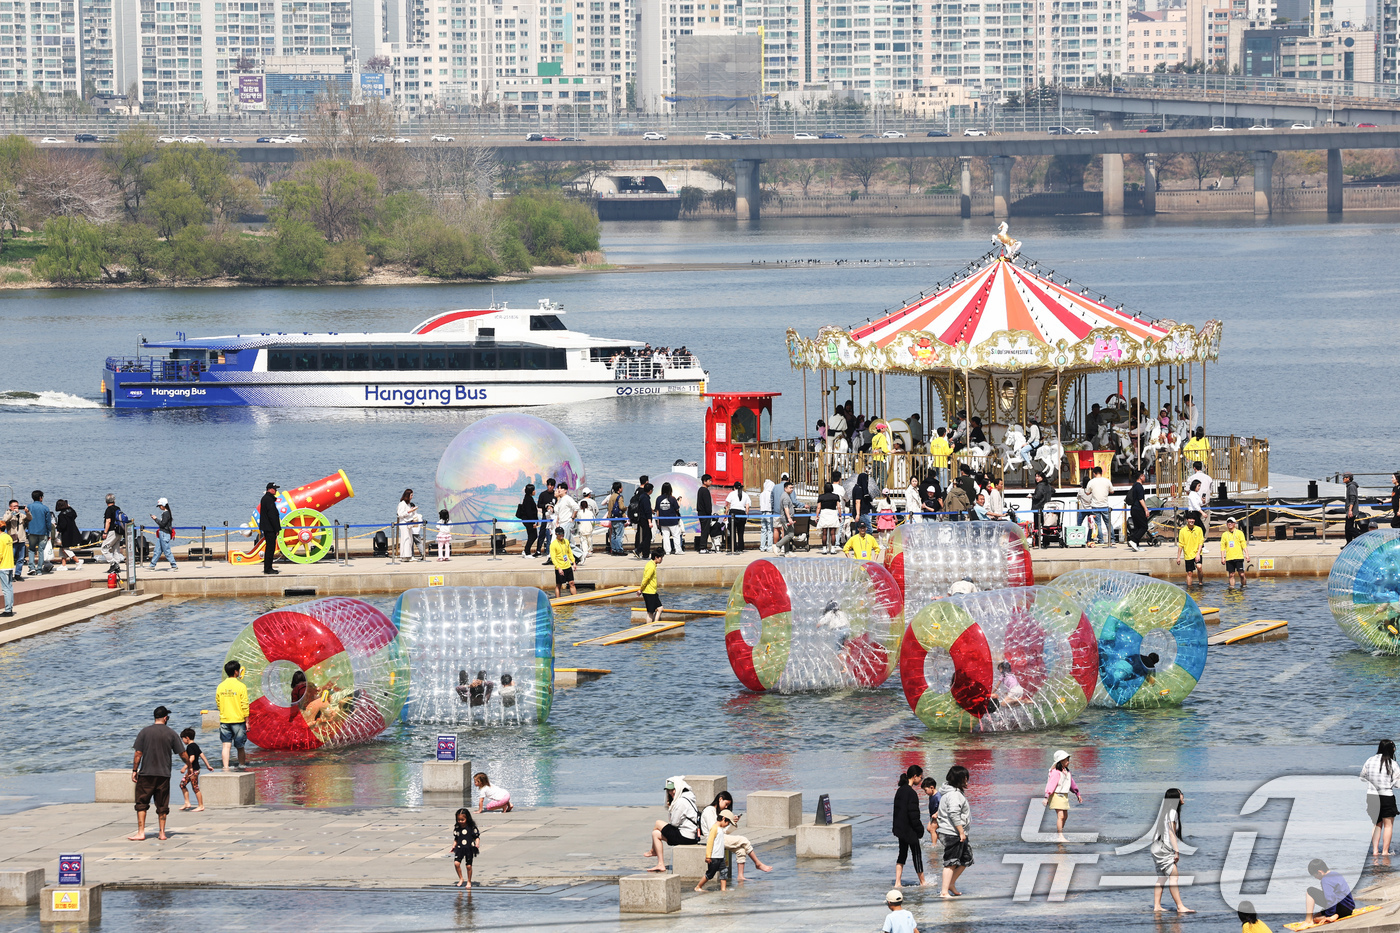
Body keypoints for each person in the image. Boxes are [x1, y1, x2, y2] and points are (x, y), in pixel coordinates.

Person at [129, 705, 191, 841]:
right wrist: (189, 766)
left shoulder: (144, 732)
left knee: (142, 802)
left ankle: (141, 832)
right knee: (162, 804)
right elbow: (183, 753)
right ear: (165, 718)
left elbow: (138, 753)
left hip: (146, 773)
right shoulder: (171, 733)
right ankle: (162, 833)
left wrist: (134, 770)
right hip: (163, 774)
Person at [699, 791, 774, 880]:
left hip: (719, 837)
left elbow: (723, 831)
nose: (726, 807)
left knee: (741, 850)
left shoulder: (716, 812)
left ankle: (740, 876)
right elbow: (714, 831)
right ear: (720, 799)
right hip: (715, 839)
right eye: (726, 804)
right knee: (743, 840)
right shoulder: (709, 810)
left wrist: (732, 823)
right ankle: (758, 863)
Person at [1150, 788, 1194, 914]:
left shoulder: (1166, 812)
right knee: (1174, 877)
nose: (1182, 796)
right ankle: (1180, 906)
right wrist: (1177, 851)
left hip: (1156, 847)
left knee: (1162, 878)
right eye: (1181, 794)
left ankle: (1157, 906)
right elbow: (1171, 833)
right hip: (1164, 848)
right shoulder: (1172, 812)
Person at [646, 776, 701, 871]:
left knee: (658, 823)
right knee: (655, 834)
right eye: (669, 790)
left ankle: (653, 850)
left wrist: (671, 809)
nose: (671, 793)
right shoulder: (688, 798)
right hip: (691, 836)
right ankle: (660, 864)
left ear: (678, 788)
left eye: (673, 790)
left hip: (685, 836)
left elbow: (674, 823)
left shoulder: (680, 802)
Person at [937, 764, 973, 898]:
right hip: (952, 833)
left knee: (966, 858)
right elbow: (953, 813)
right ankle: (944, 891)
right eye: (966, 778)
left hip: (956, 832)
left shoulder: (953, 793)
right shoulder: (953, 794)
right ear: (961, 779)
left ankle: (951, 883)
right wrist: (961, 832)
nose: (967, 781)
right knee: (951, 862)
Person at [1362, 738, 1398, 857]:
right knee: (1388, 825)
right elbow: (1398, 784)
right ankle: (1385, 852)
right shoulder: (1392, 763)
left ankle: (1375, 851)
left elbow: (1363, 777)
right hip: (1386, 796)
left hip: (1372, 796)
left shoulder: (1369, 760)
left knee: (1377, 824)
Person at [892, 765, 926, 887]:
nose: (921, 781)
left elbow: (896, 811)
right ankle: (923, 881)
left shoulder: (900, 790)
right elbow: (914, 815)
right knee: (916, 854)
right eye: (920, 778)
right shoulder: (911, 793)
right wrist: (919, 829)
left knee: (902, 854)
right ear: (914, 776)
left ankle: (897, 882)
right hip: (910, 830)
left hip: (900, 829)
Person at [217, 659, 250, 771]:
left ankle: (225, 767)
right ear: (236, 672)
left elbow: (218, 702)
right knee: (240, 746)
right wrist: (247, 721)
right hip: (238, 720)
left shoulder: (221, 686)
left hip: (225, 720)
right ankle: (241, 765)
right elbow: (244, 704)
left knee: (226, 746)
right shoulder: (241, 686)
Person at [1044, 750, 1083, 841]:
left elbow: (1072, 784)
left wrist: (1077, 793)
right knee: (1061, 816)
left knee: (1065, 816)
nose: (1068, 762)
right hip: (1056, 795)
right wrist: (1046, 797)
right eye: (1066, 760)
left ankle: (1059, 832)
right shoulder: (1056, 772)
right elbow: (1051, 785)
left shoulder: (1067, 772)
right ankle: (1060, 836)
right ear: (1060, 761)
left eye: (1068, 760)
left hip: (1064, 796)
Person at [694, 809, 736, 893]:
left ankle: (723, 889)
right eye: (727, 822)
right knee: (710, 873)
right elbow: (710, 842)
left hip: (720, 856)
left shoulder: (720, 828)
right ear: (724, 818)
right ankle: (698, 886)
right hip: (714, 856)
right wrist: (708, 856)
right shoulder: (714, 828)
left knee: (724, 871)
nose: (727, 825)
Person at [1304, 858, 1355, 924]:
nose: (1315, 878)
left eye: (1315, 875)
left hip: (1340, 908)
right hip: (1348, 909)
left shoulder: (1325, 880)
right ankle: (1336, 915)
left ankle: (1309, 921)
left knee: (1310, 891)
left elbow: (1330, 899)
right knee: (1316, 915)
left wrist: (1328, 915)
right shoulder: (1336, 874)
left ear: (1320, 872)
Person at [177, 727, 213, 812]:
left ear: (187, 738)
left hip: (194, 771)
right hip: (192, 770)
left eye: (183, 739)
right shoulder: (195, 745)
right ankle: (187, 803)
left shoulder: (190, 747)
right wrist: (208, 765)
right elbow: (202, 755)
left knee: (195, 787)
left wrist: (184, 767)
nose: (182, 741)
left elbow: (192, 758)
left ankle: (201, 805)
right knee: (182, 784)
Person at [448, 807, 480, 887]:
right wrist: (453, 846)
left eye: (462, 820)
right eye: (459, 820)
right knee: (456, 863)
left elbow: (477, 837)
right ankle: (461, 878)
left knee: (468, 865)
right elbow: (456, 838)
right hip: (459, 848)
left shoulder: (471, 828)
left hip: (469, 848)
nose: (460, 822)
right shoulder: (457, 828)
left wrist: (477, 844)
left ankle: (469, 881)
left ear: (467, 818)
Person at [25, 490, 52, 576]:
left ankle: (32, 567)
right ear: (41, 498)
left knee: (31, 550)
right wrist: (49, 533)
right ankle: (39, 569)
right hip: (43, 532)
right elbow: (48, 522)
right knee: (41, 551)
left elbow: (26, 519)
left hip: (32, 531)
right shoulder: (45, 508)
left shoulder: (29, 507)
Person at [1086, 466, 1113, 546]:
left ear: (1094, 473)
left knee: (1098, 524)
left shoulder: (1091, 482)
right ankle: (1112, 539)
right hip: (1105, 505)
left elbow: (1087, 492)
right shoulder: (1107, 481)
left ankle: (1101, 540)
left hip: (1095, 505)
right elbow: (1112, 491)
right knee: (1108, 523)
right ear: (1102, 472)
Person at [148, 497, 177, 571]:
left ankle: (174, 565)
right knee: (157, 550)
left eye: (160, 506)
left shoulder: (166, 513)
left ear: (164, 505)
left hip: (164, 534)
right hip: (162, 534)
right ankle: (152, 565)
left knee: (167, 551)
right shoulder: (166, 513)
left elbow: (162, 524)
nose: (160, 507)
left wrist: (155, 519)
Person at [1176, 514, 1205, 587]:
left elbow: (1200, 542)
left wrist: (1198, 553)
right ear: (1187, 520)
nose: (1191, 521)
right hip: (1188, 554)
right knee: (1189, 573)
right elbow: (1181, 545)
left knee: (1199, 567)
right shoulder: (1182, 531)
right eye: (1190, 519)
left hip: (1197, 553)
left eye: (1193, 519)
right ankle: (1189, 588)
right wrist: (1178, 557)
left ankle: (1200, 582)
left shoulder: (1198, 529)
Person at [258, 483, 281, 575]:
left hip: (267, 527)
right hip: (270, 528)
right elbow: (272, 516)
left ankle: (268, 567)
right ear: (270, 489)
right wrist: (277, 529)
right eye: (274, 489)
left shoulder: (266, 499)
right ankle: (268, 568)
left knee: (270, 548)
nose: (276, 491)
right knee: (270, 549)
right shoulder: (269, 500)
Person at [1220, 518, 1249, 589]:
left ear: (1234, 524)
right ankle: (1232, 588)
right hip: (1229, 557)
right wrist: (1222, 557)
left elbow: (1243, 544)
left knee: (1241, 574)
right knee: (1231, 574)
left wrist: (1247, 554)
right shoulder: (1224, 534)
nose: (1230, 524)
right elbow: (1222, 547)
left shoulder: (1239, 533)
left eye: (1231, 522)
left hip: (1238, 557)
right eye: (1228, 522)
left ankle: (1244, 586)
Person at [3, 498, 27, 581]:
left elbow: (29, 519)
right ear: (10, 507)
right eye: (14, 506)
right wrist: (12, 513)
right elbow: (4, 520)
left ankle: (17, 574)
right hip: (12, 539)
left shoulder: (21, 515)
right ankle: (9, 575)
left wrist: (27, 512)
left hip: (21, 538)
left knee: (20, 558)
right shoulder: (7, 513)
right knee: (11, 558)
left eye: (17, 506)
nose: (16, 508)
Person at [656, 483, 683, 555]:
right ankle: (678, 550)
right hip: (672, 520)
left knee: (665, 536)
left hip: (662, 520)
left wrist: (658, 521)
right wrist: (679, 502)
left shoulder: (659, 498)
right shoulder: (672, 498)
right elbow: (677, 509)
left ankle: (667, 550)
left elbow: (657, 510)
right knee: (676, 535)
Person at [549, 526, 576, 599]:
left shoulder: (566, 541)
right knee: (559, 585)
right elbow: (553, 558)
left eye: (562, 533)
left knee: (572, 583)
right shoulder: (553, 544)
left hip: (567, 566)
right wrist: (558, 568)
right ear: (556, 534)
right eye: (559, 533)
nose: (561, 535)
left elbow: (569, 552)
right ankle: (558, 599)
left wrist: (573, 562)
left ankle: (575, 599)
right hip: (560, 567)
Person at [1125, 469, 1149, 552]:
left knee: (1137, 527)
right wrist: (1146, 509)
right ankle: (1134, 540)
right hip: (1138, 509)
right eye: (1144, 476)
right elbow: (1141, 499)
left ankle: (1136, 545)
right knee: (1144, 526)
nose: (1145, 477)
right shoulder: (1139, 486)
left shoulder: (1134, 485)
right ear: (1141, 477)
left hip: (1134, 509)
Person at [817, 482, 842, 554]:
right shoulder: (836, 496)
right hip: (833, 513)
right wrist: (840, 515)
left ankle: (824, 549)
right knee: (833, 533)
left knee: (824, 532)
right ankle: (833, 549)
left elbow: (819, 507)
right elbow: (839, 507)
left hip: (824, 513)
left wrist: (817, 515)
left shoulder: (821, 496)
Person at [397, 489, 422, 561]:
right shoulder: (402, 504)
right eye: (411, 495)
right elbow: (400, 514)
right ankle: (404, 556)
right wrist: (409, 511)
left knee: (410, 540)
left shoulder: (408, 504)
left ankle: (409, 555)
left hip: (409, 523)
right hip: (404, 523)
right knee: (405, 539)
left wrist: (412, 510)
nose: (412, 497)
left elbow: (409, 514)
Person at [54, 499, 80, 568]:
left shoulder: (61, 515)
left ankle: (77, 560)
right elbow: (75, 515)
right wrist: (69, 507)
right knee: (62, 548)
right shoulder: (70, 511)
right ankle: (63, 564)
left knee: (65, 548)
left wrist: (57, 526)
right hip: (73, 531)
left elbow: (62, 525)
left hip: (65, 534)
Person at [773, 480, 797, 554]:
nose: (792, 489)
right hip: (786, 519)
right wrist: (789, 518)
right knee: (791, 534)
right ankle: (777, 545)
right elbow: (786, 508)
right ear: (785, 488)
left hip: (786, 518)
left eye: (792, 488)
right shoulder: (785, 497)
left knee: (787, 534)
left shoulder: (786, 495)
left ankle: (786, 552)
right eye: (790, 488)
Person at [632, 481, 654, 559]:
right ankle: (639, 550)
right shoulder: (646, 499)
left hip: (641, 518)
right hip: (645, 519)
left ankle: (645, 553)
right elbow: (647, 511)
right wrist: (650, 522)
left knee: (646, 536)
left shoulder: (641, 497)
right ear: (650, 490)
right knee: (648, 537)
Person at [517, 484, 540, 559]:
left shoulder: (529, 498)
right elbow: (529, 512)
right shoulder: (528, 499)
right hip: (528, 521)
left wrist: (536, 520)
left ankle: (526, 551)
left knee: (532, 535)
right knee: (532, 536)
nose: (534, 491)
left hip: (530, 521)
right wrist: (533, 522)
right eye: (533, 490)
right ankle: (527, 552)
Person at [725, 482, 749, 553]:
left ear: (734, 487)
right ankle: (741, 547)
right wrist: (746, 515)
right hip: (742, 513)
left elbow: (728, 506)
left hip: (733, 513)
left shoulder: (731, 494)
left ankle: (734, 547)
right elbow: (747, 507)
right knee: (740, 532)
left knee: (733, 532)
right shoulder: (745, 494)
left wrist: (726, 514)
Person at [641, 547, 664, 623]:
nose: (661, 559)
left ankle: (654, 624)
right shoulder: (651, 566)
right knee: (650, 612)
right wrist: (640, 589)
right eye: (660, 558)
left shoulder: (652, 564)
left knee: (660, 608)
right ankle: (650, 627)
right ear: (656, 557)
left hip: (652, 592)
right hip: (649, 592)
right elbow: (646, 579)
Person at [606, 481, 628, 556]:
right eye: (621, 487)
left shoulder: (611, 496)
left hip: (612, 518)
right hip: (619, 518)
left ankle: (614, 549)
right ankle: (619, 549)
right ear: (619, 489)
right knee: (619, 535)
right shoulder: (619, 497)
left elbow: (609, 508)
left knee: (613, 534)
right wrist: (626, 508)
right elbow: (621, 507)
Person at [696, 474, 715, 554]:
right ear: (704, 481)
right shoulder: (705, 491)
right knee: (705, 531)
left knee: (704, 530)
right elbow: (707, 504)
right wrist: (709, 512)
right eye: (709, 480)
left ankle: (703, 546)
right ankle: (702, 547)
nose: (711, 482)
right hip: (705, 514)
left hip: (701, 513)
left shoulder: (700, 490)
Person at [871, 420, 892, 491]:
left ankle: (872, 490)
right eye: (884, 428)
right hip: (881, 459)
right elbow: (884, 449)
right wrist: (890, 451)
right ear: (881, 429)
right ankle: (880, 490)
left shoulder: (874, 437)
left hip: (874, 458)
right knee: (883, 476)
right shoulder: (882, 437)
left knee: (874, 476)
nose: (885, 429)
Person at [758, 479, 776, 553]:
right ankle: (769, 546)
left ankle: (762, 546)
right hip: (769, 512)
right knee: (770, 530)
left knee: (763, 530)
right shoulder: (770, 493)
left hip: (762, 512)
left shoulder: (762, 494)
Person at [1345, 472, 1361, 542]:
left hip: (1351, 510)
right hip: (1349, 510)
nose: (1343, 479)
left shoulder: (1351, 486)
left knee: (1349, 528)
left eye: (1344, 478)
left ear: (1348, 478)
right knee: (1347, 528)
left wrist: (1350, 510)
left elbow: (1352, 499)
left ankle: (1360, 535)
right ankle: (1348, 543)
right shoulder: (1349, 486)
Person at [0, 522, 12, 618]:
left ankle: (8, 610)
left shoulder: (0, 538)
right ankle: (10, 608)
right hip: (10, 564)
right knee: (9, 588)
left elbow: (0, 554)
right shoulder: (8, 537)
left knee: (5, 589)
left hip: (3, 566)